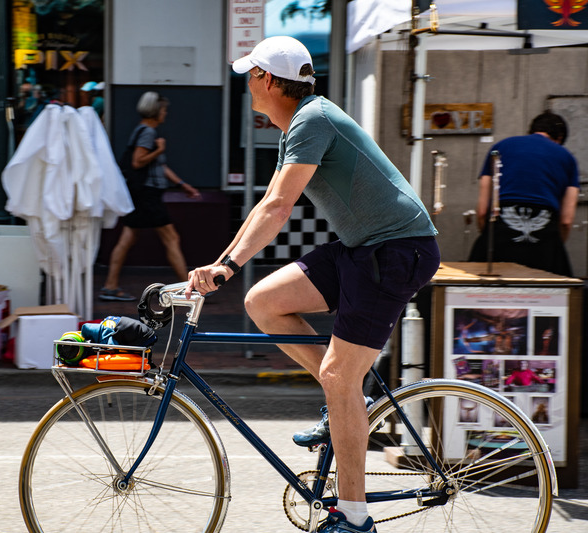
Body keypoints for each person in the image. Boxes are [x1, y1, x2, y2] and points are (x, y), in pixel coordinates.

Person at [185, 36, 439, 533]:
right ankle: (350, 405)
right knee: (264, 303)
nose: (247, 86)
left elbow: (280, 207)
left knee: (339, 376)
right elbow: (267, 205)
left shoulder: (313, 120)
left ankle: (354, 516)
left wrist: (227, 267)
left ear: (268, 80)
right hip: (362, 248)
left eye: (250, 76)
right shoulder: (303, 122)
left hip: (395, 251)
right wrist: (222, 264)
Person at [99, 91, 201, 301]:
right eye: (163, 110)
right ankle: (188, 289)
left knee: (128, 238)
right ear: (155, 111)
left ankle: (110, 286)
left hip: (142, 194)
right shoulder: (147, 133)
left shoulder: (142, 131)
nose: (165, 113)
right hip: (147, 195)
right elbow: (138, 161)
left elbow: (159, 166)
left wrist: (183, 185)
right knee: (171, 238)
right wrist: (159, 149)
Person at [468, 111, 580, 276]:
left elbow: (483, 210)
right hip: (545, 239)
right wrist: (555, 245)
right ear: (560, 137)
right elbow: (566, 220)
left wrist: (489, 236)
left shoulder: (499, 148)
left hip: (500, 232)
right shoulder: (567, 158)